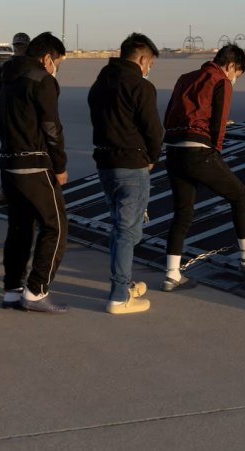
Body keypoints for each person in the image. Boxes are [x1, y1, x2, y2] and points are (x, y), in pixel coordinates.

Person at [160, 44, 245, 292]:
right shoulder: (220, 80)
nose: (234, 80)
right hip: (198, 150)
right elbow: (219, 122)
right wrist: (215, 152)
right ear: (232, 65)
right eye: (237, 74)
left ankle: (171, 274)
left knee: (182, 213)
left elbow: (167, 116)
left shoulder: (185, 78)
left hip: (172, 150)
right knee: (239, 194)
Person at [87, 33, 163, 314]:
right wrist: (152, 156)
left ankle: (125, 282)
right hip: (132, 165)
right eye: (150, 63)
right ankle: (119, 295)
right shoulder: (140, 86)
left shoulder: (99, 84)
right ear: (142, 59)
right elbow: (153, 129)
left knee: (121, 225)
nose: (149, 68)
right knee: (128, 231)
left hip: (105, 162)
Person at [0, 32, 70, 313]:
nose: (56, 68)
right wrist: (59, 165)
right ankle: (37, 290)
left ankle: (12, 289)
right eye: (57, 61)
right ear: (47, 58)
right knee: (56, 226)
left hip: (9, 163)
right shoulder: (42, 80)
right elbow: (51, 127)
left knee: (19, 228)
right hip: (34, 164)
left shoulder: (7, 77)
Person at [0, 31, 30, 207]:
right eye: (17, 46)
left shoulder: (34, 67)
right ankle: (6, 190)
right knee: (8, 154)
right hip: (7, 118)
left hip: (27, 119)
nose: (19, 49)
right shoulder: (5, 68)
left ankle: (25, 191)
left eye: (23, 45)